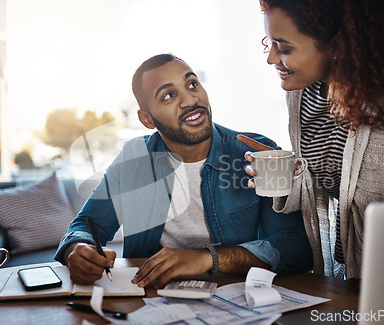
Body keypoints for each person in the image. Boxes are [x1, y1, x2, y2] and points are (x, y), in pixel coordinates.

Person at [55, 54, 312, 288]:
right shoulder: (133, 159)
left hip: (239, 296)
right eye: (168, 95)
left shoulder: (258, 153)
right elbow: (87, 225)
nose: (190, 100)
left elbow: (295, 248)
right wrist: (78, 249)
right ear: (146, 119)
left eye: (192, 84)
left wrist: (207, 260)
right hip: (151, 300)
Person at [240, 0, 384, 280]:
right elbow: (330, 176)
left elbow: (380, 194)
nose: (272, 59)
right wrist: (290, 173)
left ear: (336, 44)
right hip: (346, 272)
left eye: (285, 48)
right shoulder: (302, 89)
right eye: (270, 43)